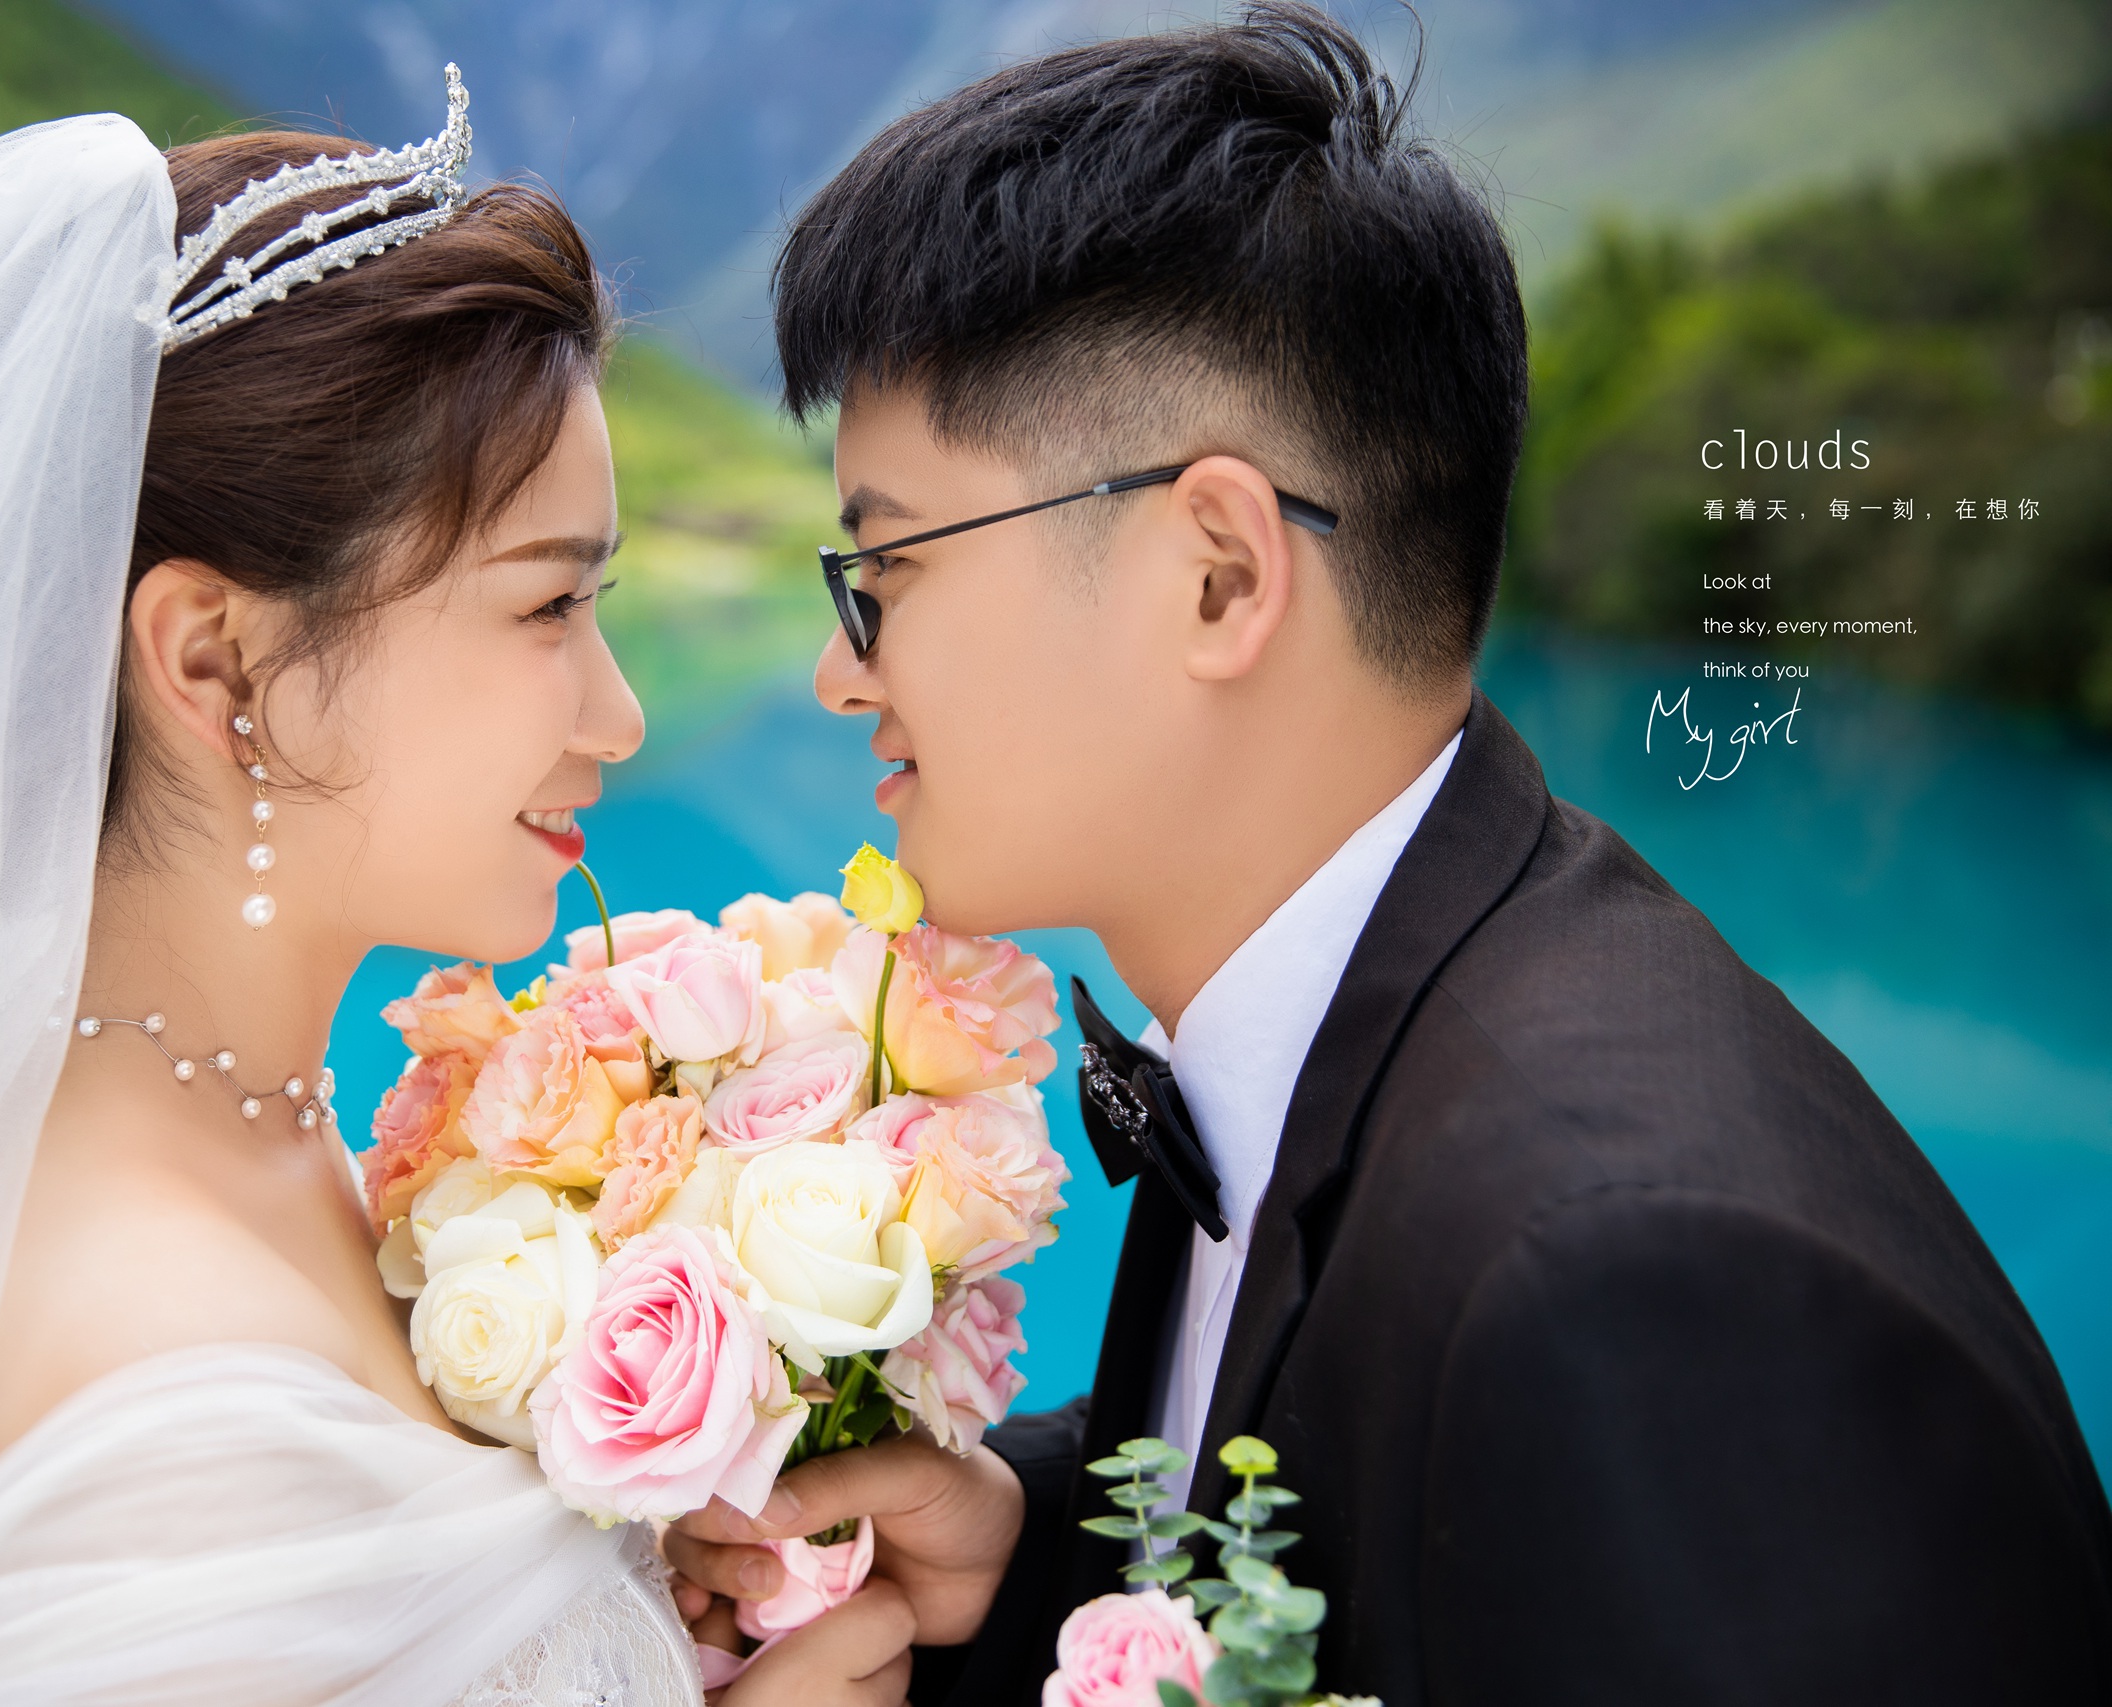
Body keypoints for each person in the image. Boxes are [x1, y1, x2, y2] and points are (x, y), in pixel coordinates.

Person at [664, 6, 2112, 1702]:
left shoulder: (1639, 1290)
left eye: (887, 569)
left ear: (1218, 574)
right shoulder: (1344, 1014)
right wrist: (1034, 1543)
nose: (840, 673)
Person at [0, 77, 913, 1707]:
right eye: (547, 607)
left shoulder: (262, 1139)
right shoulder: (170, 1413)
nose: (617, 717)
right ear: (214, 661)